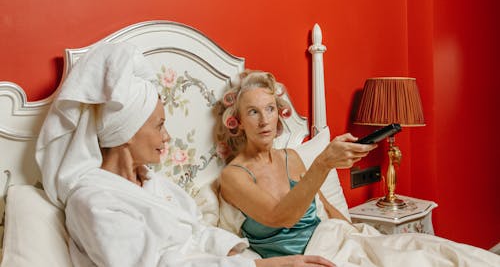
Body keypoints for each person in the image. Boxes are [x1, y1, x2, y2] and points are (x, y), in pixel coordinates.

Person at [35, 42, 336, 267]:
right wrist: (264, 265)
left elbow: (198, 234)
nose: (167, 137)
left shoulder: (156, 185)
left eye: (270, 110)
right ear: (125, 134)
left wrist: (241, 253)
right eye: (160, 125)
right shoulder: (93, 202)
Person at [216, 70, 500, 266]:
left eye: (270, 109)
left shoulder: (292, 156)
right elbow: (282, 217)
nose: (264, 120)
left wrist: (358, 236)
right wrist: (324, 163)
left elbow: (325, 210)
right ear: (237, 121)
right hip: (308, 257)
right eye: (253, 112)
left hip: (336, 240)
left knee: (434, 252)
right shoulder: (234, 176)